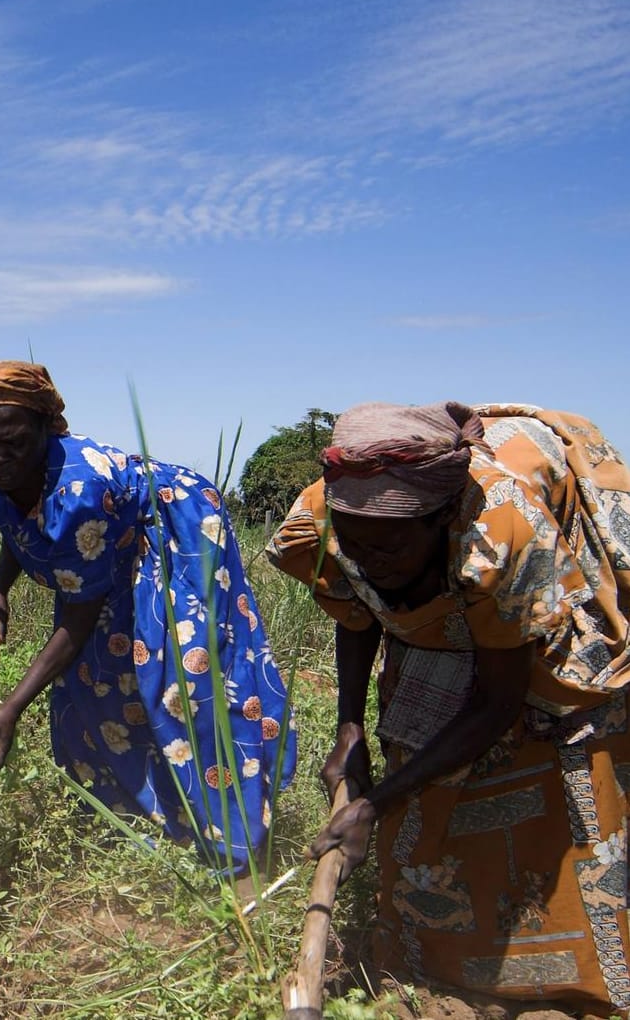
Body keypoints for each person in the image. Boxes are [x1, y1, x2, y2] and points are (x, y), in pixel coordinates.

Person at [267, 401, 630, 1013]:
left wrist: (376, 802)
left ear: (441, 521)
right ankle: (423, 962)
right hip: (441, 607)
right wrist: (348, 732)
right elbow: (355, 606)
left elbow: (496, 702)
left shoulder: (504, 532)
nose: (372, 557)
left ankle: (580, 982)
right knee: (423, 774)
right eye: (359, 540)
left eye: (392, 545)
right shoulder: (324, 516)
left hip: (534, 627)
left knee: (561, 752)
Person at [0, 360, 295, 874]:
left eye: (17, 443)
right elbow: (15, 521)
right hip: (105, 547)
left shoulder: (80, 492)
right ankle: (133, 820)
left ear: (48, 429)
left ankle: (237, 843)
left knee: (184, 682)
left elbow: (79, 617)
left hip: (173, 531)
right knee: (95, 678)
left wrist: (12, 708)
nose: (1, 458)